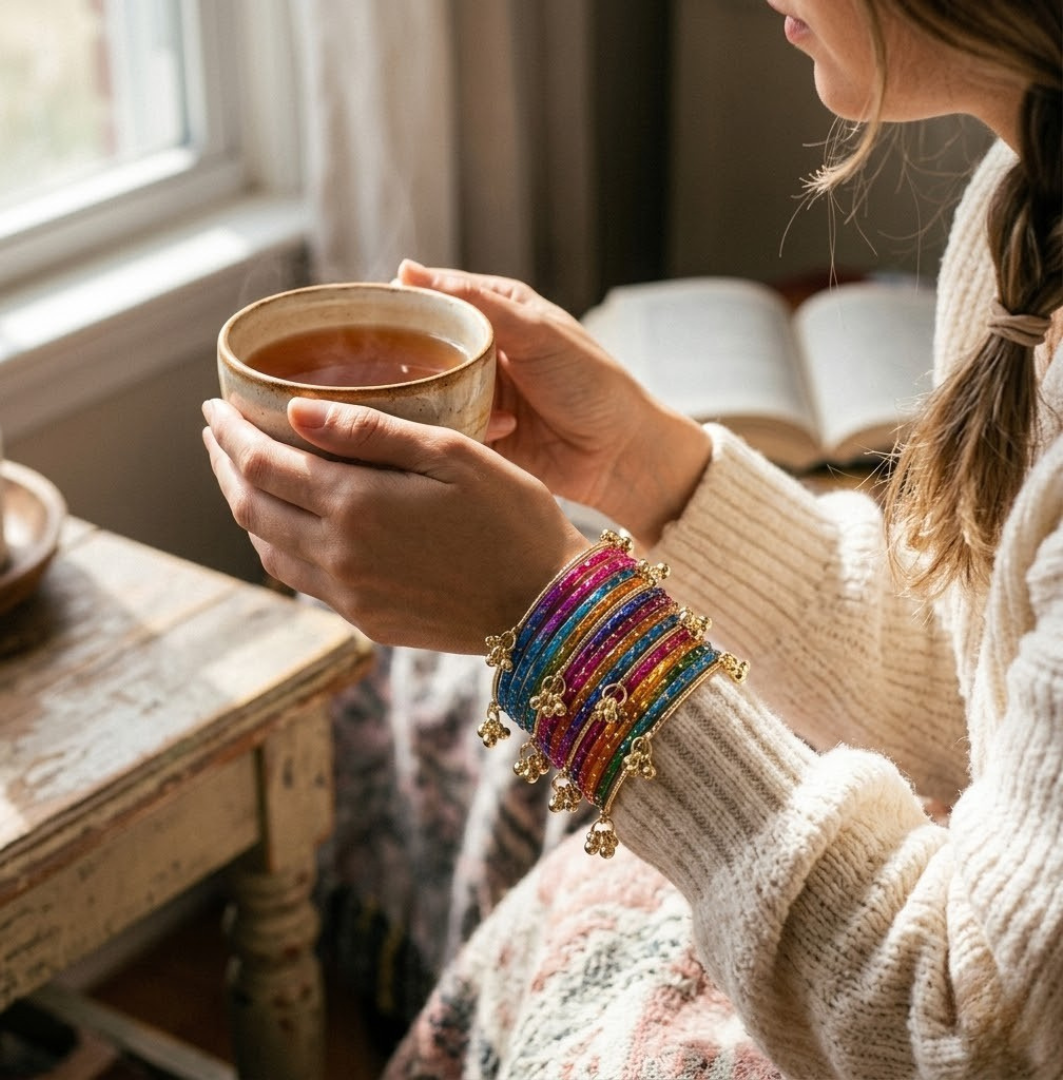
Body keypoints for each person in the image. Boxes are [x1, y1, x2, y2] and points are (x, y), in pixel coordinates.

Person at [202, 0, 1063, 1075]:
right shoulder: (1023, 195)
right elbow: (976, 673)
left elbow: (970, 1030)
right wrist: (645, 470)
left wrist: (555, 622)